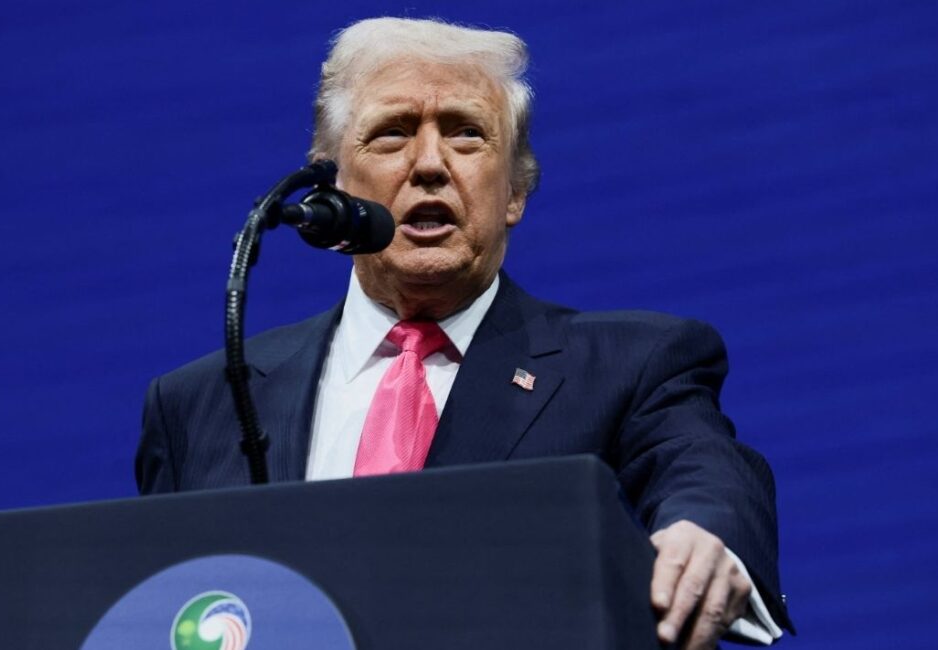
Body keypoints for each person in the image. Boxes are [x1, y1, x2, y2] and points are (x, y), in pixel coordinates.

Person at [136, 16, 792, 649]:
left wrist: (706, 536)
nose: (429, 164)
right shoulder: (201, 403)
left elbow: (702, 468)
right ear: (332, 189)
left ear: (515, 191)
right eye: (391, 134)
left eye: (466, 135)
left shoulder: (629, 364)